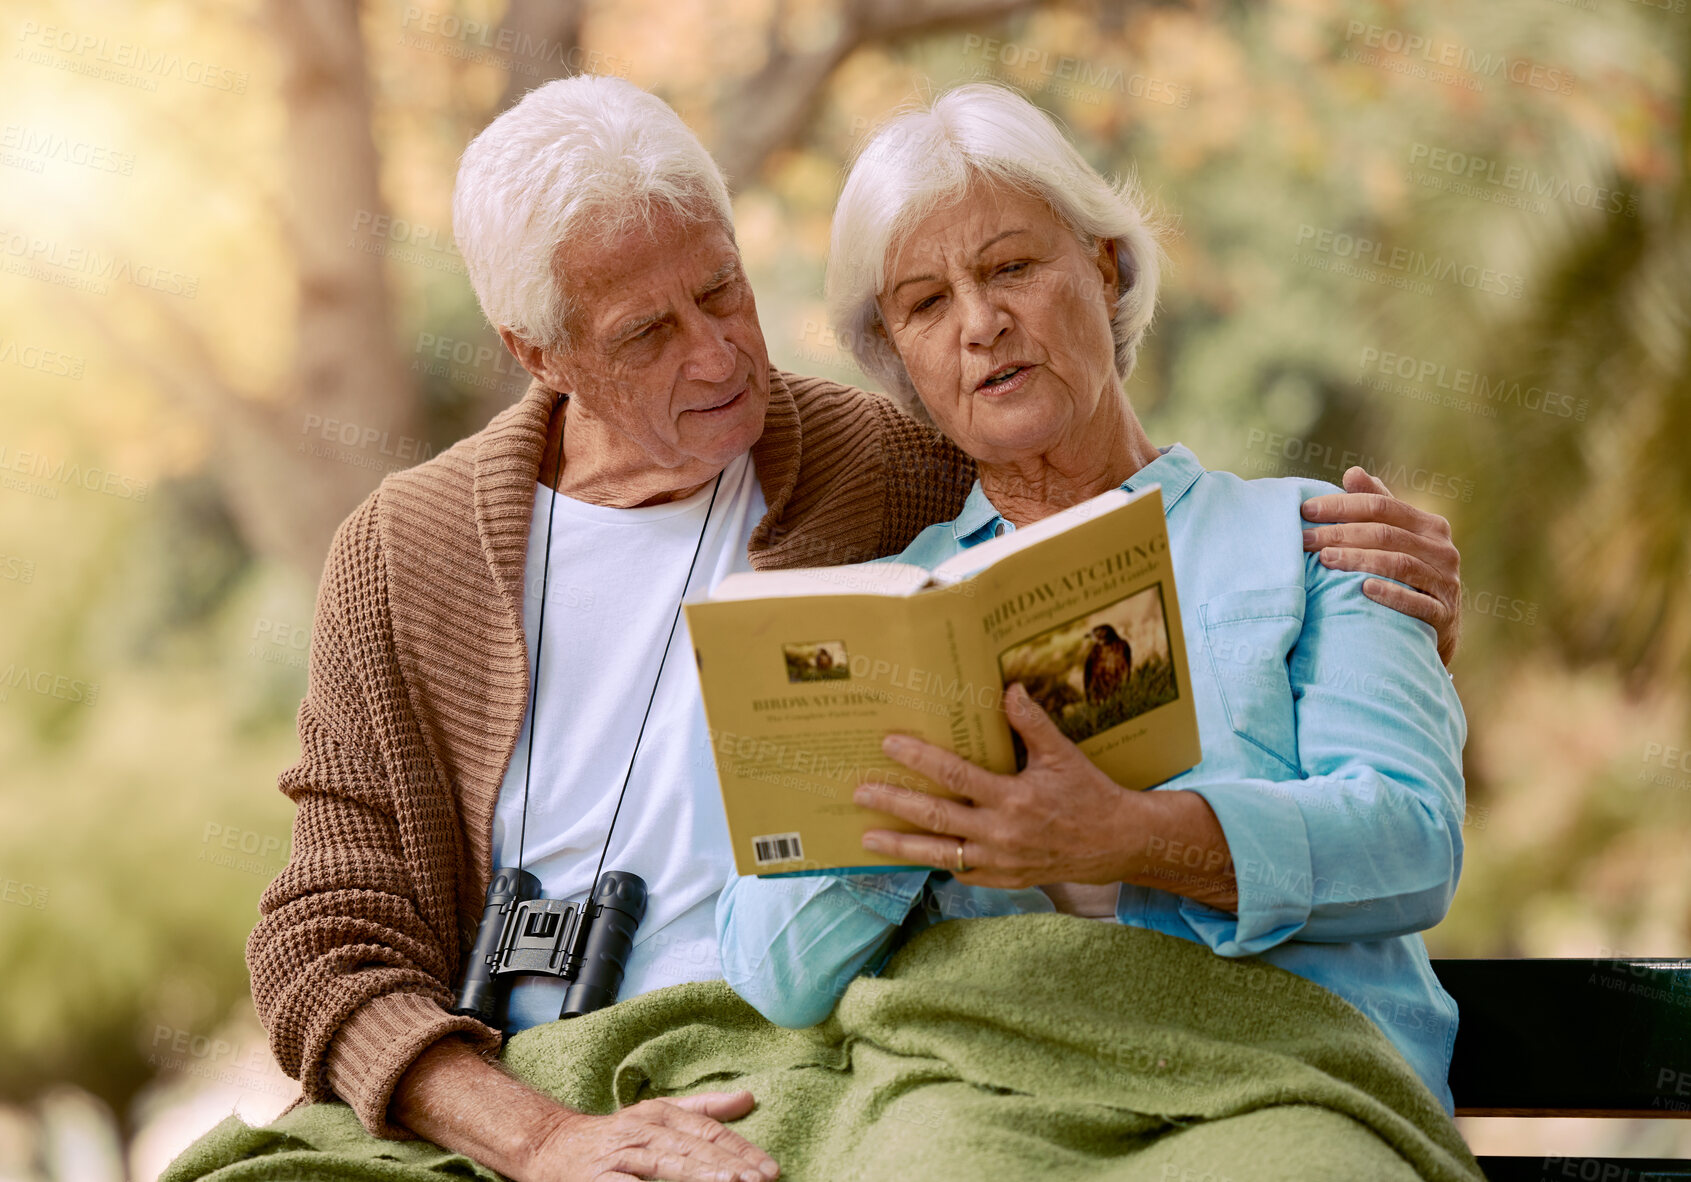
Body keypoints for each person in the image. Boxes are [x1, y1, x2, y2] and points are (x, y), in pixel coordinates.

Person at [246, 75, 1464, 1182]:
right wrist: (538, 1136)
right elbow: (323, 941)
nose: (719, 352)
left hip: (842, 1074)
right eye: (645, 334)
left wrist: (1392, 611)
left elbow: (1111, 492)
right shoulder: (408, 555)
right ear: (536, 353)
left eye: (721, 289)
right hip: (553, 1089)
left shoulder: (907, 474)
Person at [717, 81, 1469, 1127]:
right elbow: (772, 974)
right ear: (899, 360)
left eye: (1011, 267)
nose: (980, 325)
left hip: (1286, 1086)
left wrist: (1126, 835)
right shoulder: (888, 607)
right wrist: (911, 825)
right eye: (925, 303)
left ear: (1104, 269)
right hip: (999, 1093)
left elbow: (1412, 840)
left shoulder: (1313, 537)